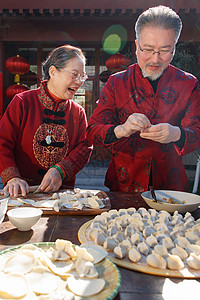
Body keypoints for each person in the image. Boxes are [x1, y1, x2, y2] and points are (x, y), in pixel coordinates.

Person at [87, 5, 200, 193]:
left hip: (170, 187)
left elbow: (197, 131)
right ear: (137, 45)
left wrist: (176, 134)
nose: (155, 59)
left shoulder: (188, 84)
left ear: (174, 49)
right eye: (148, 49)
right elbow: (92, 131)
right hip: (123, 186)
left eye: (164, 50)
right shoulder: (117, 82)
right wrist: (122, 129)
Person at [0, 44, 92, 197]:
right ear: (53, 72)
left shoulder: (78, 112)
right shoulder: (22, 102)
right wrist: (12, 177)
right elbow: (2, 141)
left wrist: (60, 170)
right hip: (22, 193)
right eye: (74, 74)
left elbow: (84, 148)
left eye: (82, 76)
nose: (79, 81)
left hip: (61, 195)